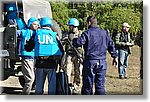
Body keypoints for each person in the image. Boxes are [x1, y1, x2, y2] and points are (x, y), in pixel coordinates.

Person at [72, 16, 118, 95]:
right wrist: (114, 56)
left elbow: (78, 43)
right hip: (102, 62)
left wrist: (74, 39)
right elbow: (111, 45)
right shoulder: (105, 33)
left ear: (89, 23)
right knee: (100, 86)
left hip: (90, 62)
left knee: (87, 86)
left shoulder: (87, 33)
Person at [33, 17, 63, 95]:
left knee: (39, 86)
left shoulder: (37, 34)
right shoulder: (54, 35)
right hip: (51, 64)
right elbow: (61, 50)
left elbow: (28, 47)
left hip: (39, 64)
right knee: (51, 87)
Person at [18, 17, 39, 94]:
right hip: (27, 58)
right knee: (30, 79)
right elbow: (15, 33)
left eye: (37, 24)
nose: (37, 26)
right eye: (34, 24)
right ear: (30, 25)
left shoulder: (38, 33)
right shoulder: (24, 32)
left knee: (32, 79)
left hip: (34, 58)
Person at [62, 18, 83, 94]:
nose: (71, 28)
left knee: (78, 72)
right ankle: (67, 86)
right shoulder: (67, 34)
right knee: (67, 71)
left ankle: (77, 87)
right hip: (69, 55)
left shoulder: (81, 34)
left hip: (78, 55)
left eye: (72, 26)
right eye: (70, 26)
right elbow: (62, 43)